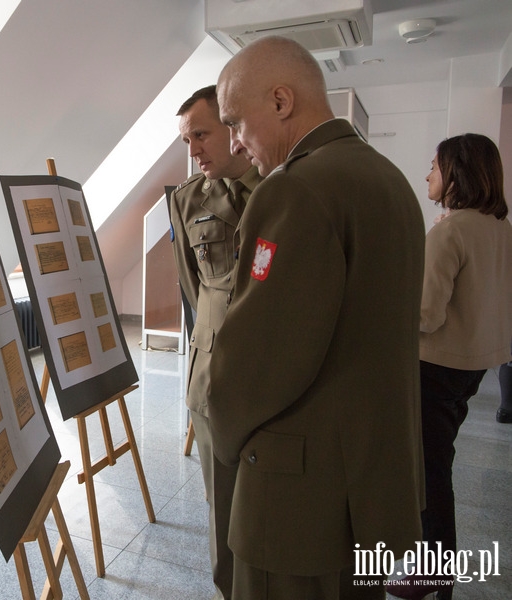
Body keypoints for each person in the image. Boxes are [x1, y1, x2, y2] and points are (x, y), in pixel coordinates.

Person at [210, 36, 426, 599]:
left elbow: (258, 360)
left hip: (298, 500)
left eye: (236, 122)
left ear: (281, 102)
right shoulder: (391, 181)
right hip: (368, 486)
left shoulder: (297, 189)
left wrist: (220, 426)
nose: (238, 142)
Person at [388, 134, 512, 600]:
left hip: (435, 366)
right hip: (474, 367)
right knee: (439, 462)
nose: (427, 175)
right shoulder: (499, 227)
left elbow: (425, 315)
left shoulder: (449, 231)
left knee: (429, 472)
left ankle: (434, 570)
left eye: (434, 167)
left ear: (456, 173)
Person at [169, 85, 261, 600]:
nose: (194, 150)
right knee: (220, 505)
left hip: (276, 381)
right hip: (214, 383)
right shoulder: (189, 201)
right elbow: (194, 288)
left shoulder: (282, 188)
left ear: (232, 128)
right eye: (187, 139)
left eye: (201, 134)